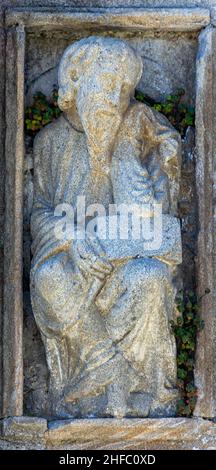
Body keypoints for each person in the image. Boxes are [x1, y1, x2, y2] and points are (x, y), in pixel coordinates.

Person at [30, 36, 182, 418]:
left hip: (126, 267)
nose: (115, 97)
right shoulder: (50, 144)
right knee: (49, 277)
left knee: (148, 277)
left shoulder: (136, 131)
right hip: (78, 268)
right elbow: (39, 214)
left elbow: (157, 212)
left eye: (125, 89)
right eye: (107, 81)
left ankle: (142, 391)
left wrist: (145, 159)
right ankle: (103, 362)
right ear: (77, 80)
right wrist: (75, 240)